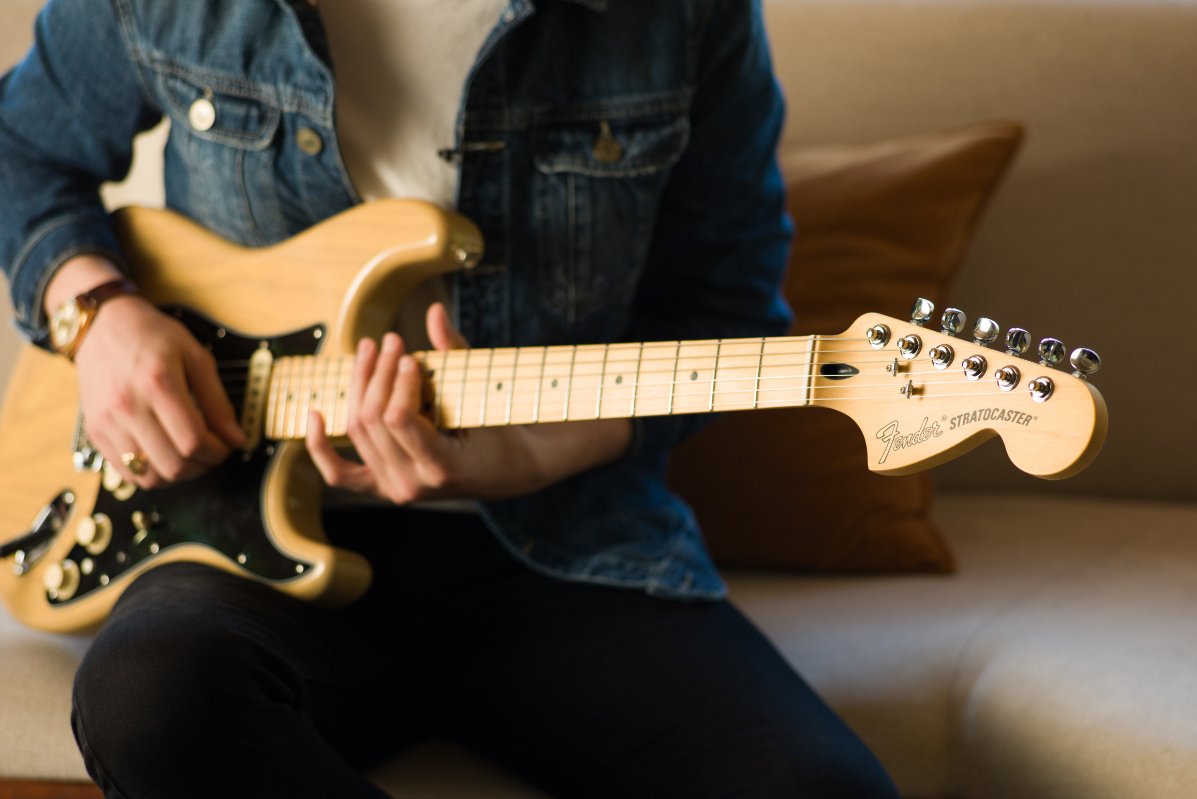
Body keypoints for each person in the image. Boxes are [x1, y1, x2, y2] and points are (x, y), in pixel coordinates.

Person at [0, 1, 900, 796]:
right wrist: (97, 312)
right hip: (239, 531)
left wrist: (533, 452)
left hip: (559, 544)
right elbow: (20, 144)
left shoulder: (681, 12)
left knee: (815, 787)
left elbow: (724, 312)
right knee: (150, 696)